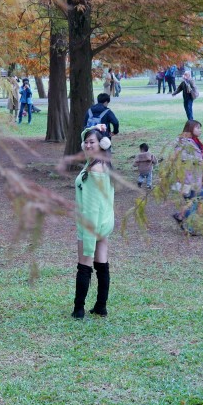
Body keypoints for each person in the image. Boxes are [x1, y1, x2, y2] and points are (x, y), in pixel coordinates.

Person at [72, 125, 115, 319]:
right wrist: (95, 128)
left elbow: (90, 208)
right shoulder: (104, 163)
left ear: (102, 144)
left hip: (91, 224)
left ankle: (78, 309)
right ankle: (101, 306)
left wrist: (88, 235)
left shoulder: (94, 170)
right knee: (102, 262)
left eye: (92, 142)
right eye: (86, 142)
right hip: (104, 223)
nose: (88, 145)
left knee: (85, 264)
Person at [172, 120, 203, 235]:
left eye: (200, 128)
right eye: (197, 128)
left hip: (195, 177)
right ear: (190, 128)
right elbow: (180, 157)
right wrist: (199, 159)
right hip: (188, 178)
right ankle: (189, 227)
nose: (200, 130)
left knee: (199, 197)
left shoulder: (194, 141)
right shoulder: (183, 142)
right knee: (193, 201)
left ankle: (181, 216)